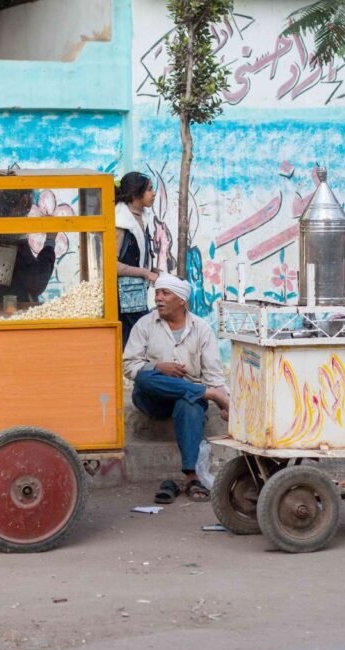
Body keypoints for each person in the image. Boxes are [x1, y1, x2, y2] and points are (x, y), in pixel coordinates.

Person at [123, 274, 229, 503]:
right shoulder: (145, 324)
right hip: (153, 397)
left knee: (189, 402)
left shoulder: (201, 329)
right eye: (157, 293)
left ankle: (191, 476)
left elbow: (213, 374)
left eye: (165, 293)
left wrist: (226, 400)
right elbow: (129, 364)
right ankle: (203, 393)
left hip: (186, 398)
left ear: (181, 300)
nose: (158, 298)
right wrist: (158, 367)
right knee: (144, 378)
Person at [0, 189, 57, 305]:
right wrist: (50, 241)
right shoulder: (11, 234)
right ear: (24, 201)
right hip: (11, 308)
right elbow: (36, 282)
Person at [115, 172, 158, 346]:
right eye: (149, 189)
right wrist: (145, 273)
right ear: (135, 194)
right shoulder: (120, 223)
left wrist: (153, 271)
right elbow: (112, 265)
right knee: (139, 341)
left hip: (135, 295)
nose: (153, 193)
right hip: (123, 298)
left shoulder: (141, 217)